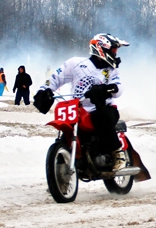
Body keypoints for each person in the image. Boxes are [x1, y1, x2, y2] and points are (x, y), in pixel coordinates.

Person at [33, 33, 130, 171]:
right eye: (114, 50)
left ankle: (117, 154)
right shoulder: (75, 63)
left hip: (103, 109)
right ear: (101, 49)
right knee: (67, 130)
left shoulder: (111, 70)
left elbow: (119, 89)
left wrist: (105, 89)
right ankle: (62, 167)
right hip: (78, 109)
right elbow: (55, 78)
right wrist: (44, 91)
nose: (115, 54)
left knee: (101, 118)